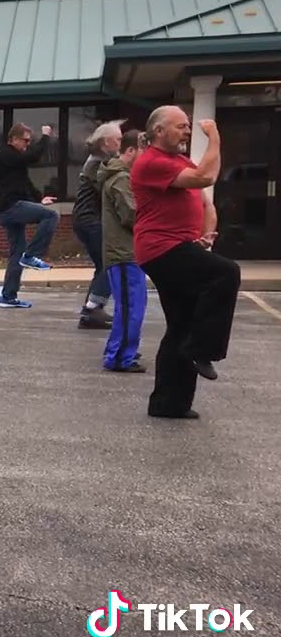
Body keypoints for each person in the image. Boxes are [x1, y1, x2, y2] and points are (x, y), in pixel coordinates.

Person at [131, 107, 240, 419]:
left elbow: (206, 202)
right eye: (180, 127)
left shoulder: (179, 162)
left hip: (182, 246)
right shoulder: (150, 162)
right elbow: (206, 176)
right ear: (158, 132)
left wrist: (205, 236)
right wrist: (215, 137)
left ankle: (168, 404)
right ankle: (204, 349)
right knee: (225, 272)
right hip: (160, 248)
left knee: (181, 324)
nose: (187, 131)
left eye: (189, 126)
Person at [0, 123, 58, 308]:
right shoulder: (5, 155)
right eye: (25, 141)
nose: (27, 145)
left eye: (30, 142)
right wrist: (45, 137)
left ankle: (8, 296)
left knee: (16, 253)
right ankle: (32, 255)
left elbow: (25, 183)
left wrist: (40, 198)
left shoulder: (15, 161)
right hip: (11, 207)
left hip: (11, 209)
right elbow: (33, 157)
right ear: (13, 139)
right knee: (51, 216)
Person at [98, 128, 148, 374]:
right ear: (130, 151)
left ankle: (122, 350)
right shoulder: (120, 179)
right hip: (123, 254)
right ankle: (119, 356)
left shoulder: (123, 176)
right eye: (143, 150)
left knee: (131, 306)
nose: (146, 155)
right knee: (130, 308)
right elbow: (132, 215)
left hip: (128, 253)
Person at [72, 121, 124, 329]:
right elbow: (111, 187)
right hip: (89, 218)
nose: (121, 143)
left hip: (88, 219)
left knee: (103, 264)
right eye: (119, 140)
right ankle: (93, 309)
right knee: (110, 262)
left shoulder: (99, 160)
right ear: (106, 143)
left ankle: (91, 310)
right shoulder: (98, 163)